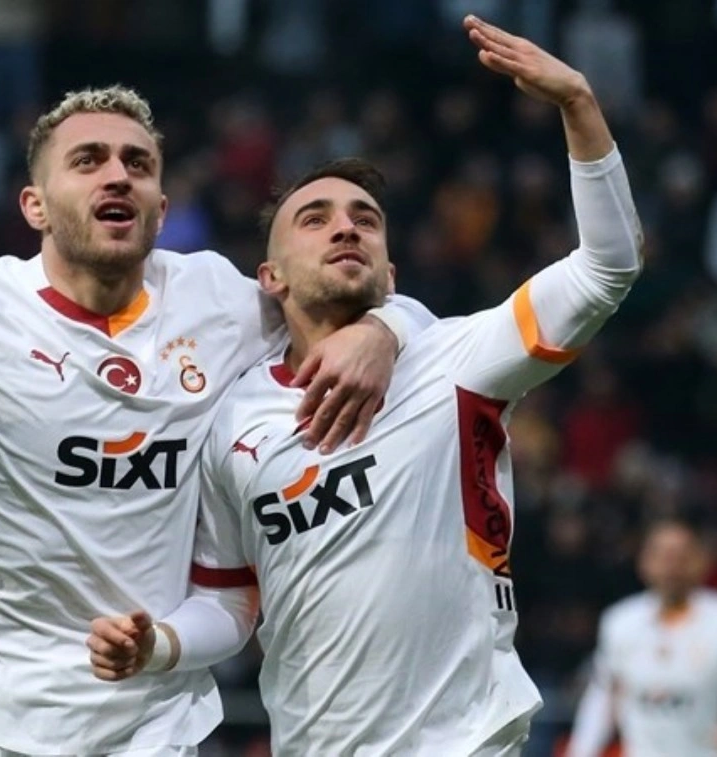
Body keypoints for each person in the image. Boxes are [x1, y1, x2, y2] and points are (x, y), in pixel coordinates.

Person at [0, 85, 435, 754]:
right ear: (35, 206)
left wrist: (385, 327)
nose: (117, 176)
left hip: (154, 718)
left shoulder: (221, 302)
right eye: (88, 160)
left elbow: (365, 299)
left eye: (137, 164)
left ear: (161, 208)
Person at [84, 15, 642, 756]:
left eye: (366, 220)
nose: (346, 228)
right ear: (270, 277)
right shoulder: (231, 423)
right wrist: (159, 644)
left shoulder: (456, 359)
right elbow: (228, 600)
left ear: (391, 271)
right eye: (314, 220)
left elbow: (609, 266)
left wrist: (578, 104)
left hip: (464, 739)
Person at [565, 518, 717, 757]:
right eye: (662, 556)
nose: (671, 566)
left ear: (702, 561)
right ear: (644, 563)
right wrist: (580, 752)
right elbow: (602, 698)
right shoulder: (621, 622)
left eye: (682, 556)